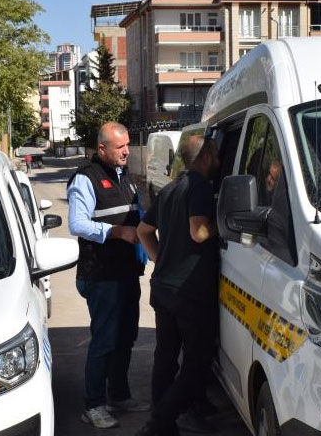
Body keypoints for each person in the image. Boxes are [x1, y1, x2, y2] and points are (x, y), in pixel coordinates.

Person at [135, 135, 221, 436]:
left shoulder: (171, 188)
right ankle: (159, 423)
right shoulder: (199, 186)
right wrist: (220, 222)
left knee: (166, 357)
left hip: (164, 288)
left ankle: (164, 421)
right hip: (189, 292)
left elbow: (143, 231)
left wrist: (161, 258)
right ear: (206, 156)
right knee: (196, 363)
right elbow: (198, 232)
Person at [67, 122, 150, 429]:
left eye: (128, 144)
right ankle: (93, 404)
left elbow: (137, 216)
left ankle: (119, 395)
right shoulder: (85, 179)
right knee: (105, 340)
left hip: (126, 272)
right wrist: (115, 231)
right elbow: (76, 224)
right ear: (102, 149)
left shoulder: (125, 177)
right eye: (120, 146)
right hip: (101, 275)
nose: (127, 151)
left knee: (126, 337)